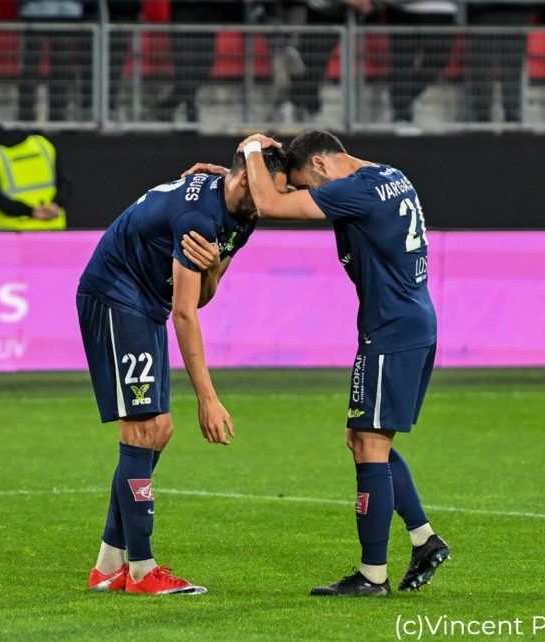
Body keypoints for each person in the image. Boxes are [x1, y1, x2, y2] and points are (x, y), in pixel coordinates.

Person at [184, 129, 448, 596]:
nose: (307, 196)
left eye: (306, 185)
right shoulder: (389, 175)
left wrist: (249, 150)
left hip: (392, 330)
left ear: (323, 166)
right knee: (363, 438)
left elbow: (270, 205)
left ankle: (373, 576)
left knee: (370, 445)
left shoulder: (353, 190)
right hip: (410, 322)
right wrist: (233, 176)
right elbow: (286, 189)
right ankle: (423, 539)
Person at [79, 145, 289, 595]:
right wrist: (208, 399)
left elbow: (205, 293)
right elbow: (185, 312)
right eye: (270, 191)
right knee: (140, 429)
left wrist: (210, 267)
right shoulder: (198, 217)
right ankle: (141, 570)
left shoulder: (246, 215)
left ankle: (109, 566)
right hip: (115, 294)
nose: (274, 203)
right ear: (245, 179)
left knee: (159, 430)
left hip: (144, 302)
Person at [0, 123, 71, 230]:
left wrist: (31, 211)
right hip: (54, 226)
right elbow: (64, 183)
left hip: (13, 229)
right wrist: (56, 204)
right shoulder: (42, 144)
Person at [18, 0, 92, 123]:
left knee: (60, 68)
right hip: (36, 11)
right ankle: (26, 119)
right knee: (32, 67)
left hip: (65, 12)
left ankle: (58, 118)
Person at [387, 0, 459, 123]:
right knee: (402, 64)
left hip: (441, 9)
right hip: (401, 8)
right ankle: (401, 116)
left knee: (438, 60)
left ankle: (402, 103)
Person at [464, 2, 536, 124]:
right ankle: (507, 119)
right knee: (505, 68)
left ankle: (485, 119)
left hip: (488, 12)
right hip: (505, 12)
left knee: (487, 68)